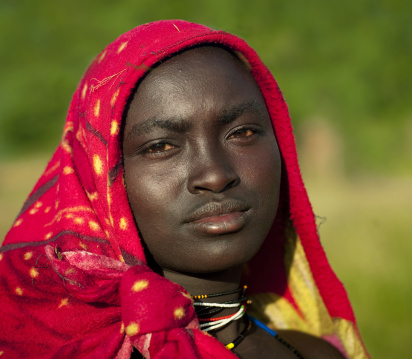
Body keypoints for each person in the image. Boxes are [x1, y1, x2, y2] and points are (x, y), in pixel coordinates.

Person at [0, 20, 369, 358]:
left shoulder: (315, 353)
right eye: (162, 146)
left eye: (242, 133)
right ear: (100, 183)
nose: (215, 175)